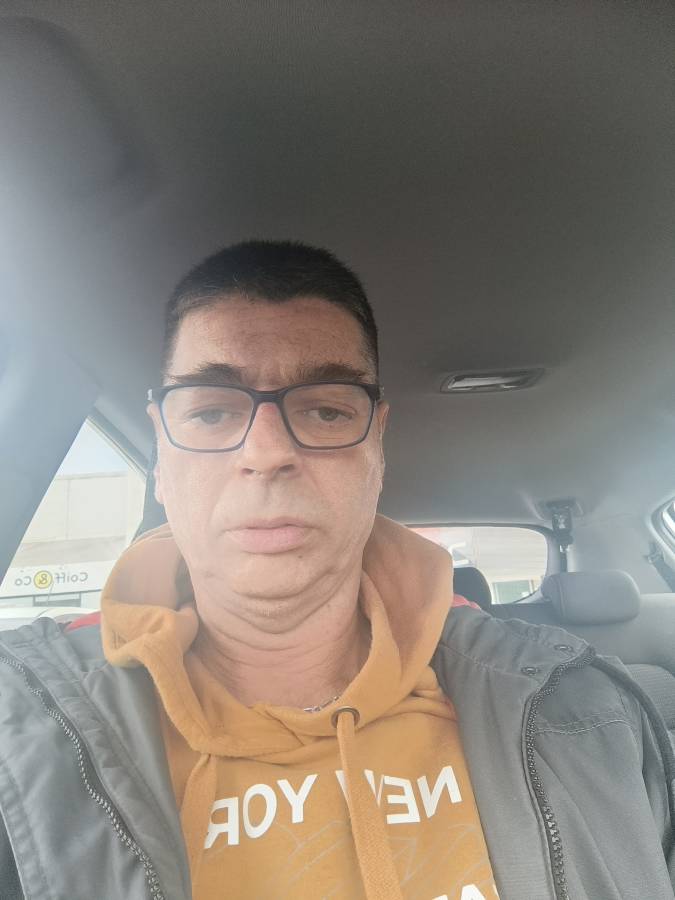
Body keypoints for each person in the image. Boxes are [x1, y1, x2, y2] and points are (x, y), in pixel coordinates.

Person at [0, 241, 673, 900]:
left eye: (326, 410)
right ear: (161, 452)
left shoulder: (587, 712)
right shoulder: (23, 737)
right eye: (210, 411)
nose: (266, 453)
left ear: (376, 442)